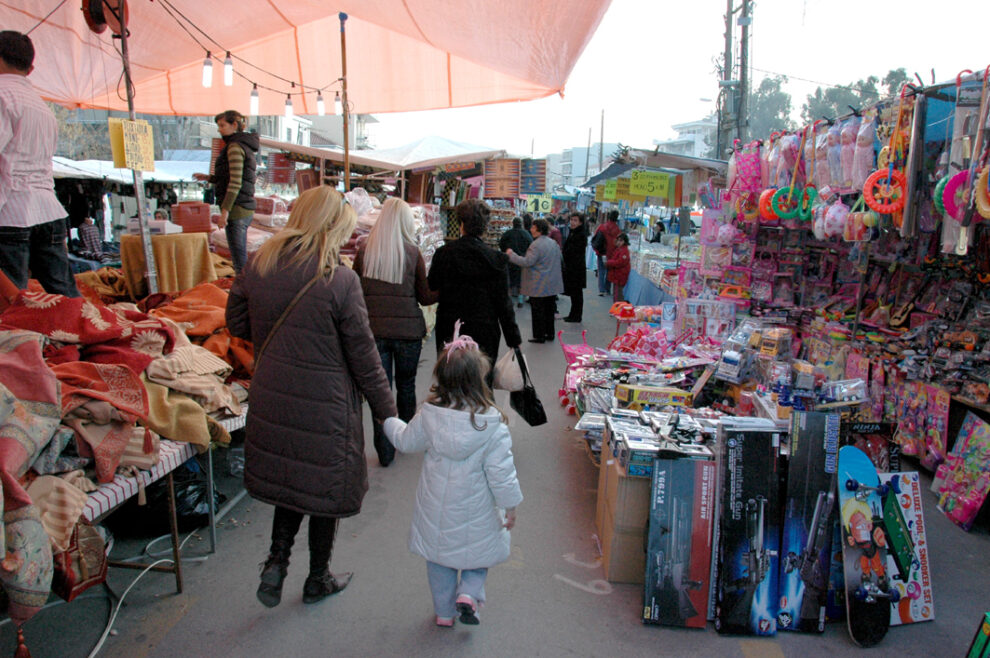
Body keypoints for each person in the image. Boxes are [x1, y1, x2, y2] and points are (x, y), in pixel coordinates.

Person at [225, 186, 397, 608]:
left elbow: (235, 322)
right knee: (324, 489)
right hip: (326, 404)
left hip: (272, 396)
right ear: (332, 225)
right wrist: (388, 415)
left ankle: (277, 561)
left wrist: (281, 344)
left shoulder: (257, 266)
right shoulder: (339, 280)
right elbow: (365, 357)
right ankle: (317, 577)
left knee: (292, 482)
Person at [384, 324, 522, 628]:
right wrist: (510, 506)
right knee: (478, 555)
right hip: (478, 510)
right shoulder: (493, 425)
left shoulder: (429, 414)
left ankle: (444, 613)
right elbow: (502, 473)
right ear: (479, 381)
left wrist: (390, 423)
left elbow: (406, 441)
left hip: (436, 508)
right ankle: (470, 594)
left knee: (439, 561)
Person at [353, 197, 437, 468]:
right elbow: (425, 298)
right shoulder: (413, 253)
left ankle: (384, 451)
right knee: (407, 386)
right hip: (408, 332)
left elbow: (355, 292)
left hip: (374, 332)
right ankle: (406, 440)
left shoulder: (365, 250)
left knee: (381, 392)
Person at [0, 31, 79, 297]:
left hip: (9, 211)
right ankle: (89, 333)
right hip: (48, 209)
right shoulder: (42, 107)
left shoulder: (2, 95)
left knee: (11, 302)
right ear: (31, 68)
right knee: (65, 296)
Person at [428, 199, 522, 381]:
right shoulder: (497, 260)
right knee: (481, 384)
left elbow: (432, 285)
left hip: (450, 329)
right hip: (484, 331)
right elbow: (504, 304)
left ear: (461, 224)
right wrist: (513, 339)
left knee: (450, 382)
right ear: (485, 227)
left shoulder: (444, 254)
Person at [193, 110, 259, 274]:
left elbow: (235, 182)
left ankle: (243, 293)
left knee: (239, 260)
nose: (219, 129)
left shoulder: (234, 147)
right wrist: (210, 178)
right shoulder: (245, 146)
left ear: (234, 125)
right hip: (244, 207)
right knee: (239, 256)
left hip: (237, 209)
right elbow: (232, 177)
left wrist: (225, 212)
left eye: (222, 125)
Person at [506, 218, 563, 343]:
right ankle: (550, 333)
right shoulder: (553, 243)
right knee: (549, 309)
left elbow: (527, 262)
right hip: (552, 282)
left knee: (538, 310)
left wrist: (511, 255)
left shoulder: (536, 245)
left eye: (533, 227)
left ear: (538, 229)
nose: (531, 229)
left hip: (538, 283)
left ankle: (539, 335)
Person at [498, 217, 532, 308]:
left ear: (513, 223)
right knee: (521, 281)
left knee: (509, 280)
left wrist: (506, 251)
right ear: (521, 224)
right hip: (522, 260)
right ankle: (520, 300)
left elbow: (501, 244)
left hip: (509, 260)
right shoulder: (526, 234)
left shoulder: (507, 234)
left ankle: (509, 300)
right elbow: (531, 246)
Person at [561, 212, 587, 323]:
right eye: (571, 220)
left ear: (580, 222)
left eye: (575, 220)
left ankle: (576, 316)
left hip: (576, 269)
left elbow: (574, 252)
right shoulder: (573, 232)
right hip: (572, 268)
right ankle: (573, 314)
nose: (572, 222)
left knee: (576, 293)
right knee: (574, 293)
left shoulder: (580, 235)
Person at [592, 210, 621, 296]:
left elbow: (595, 237)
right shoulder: (617, 230)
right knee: (609, 271)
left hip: (602, 253)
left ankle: (601, 290)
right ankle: (607, 289)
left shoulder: (602, 227)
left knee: (601, 271)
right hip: (612, 254)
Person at [607, 232, 631, 303]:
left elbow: (620, 262)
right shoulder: (619, 249)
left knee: (618, 295)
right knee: (616, 293)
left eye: (621, 240)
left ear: (625, 241)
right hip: (617, 275)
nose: (619, 242)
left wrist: (609, 262)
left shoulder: (624, 251)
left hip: (620, 275)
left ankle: (618, 310)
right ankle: (616, 309)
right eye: (618, 240)